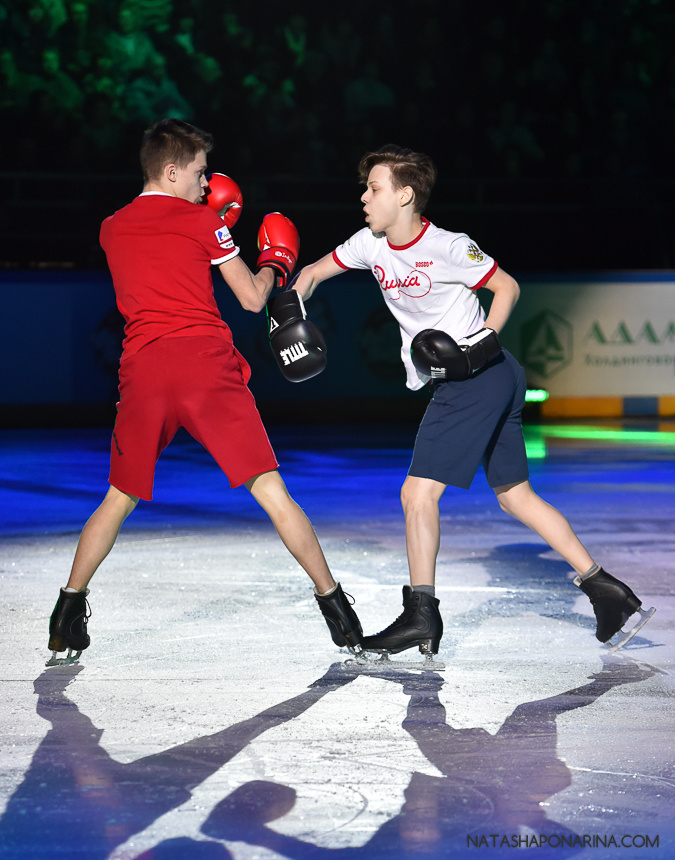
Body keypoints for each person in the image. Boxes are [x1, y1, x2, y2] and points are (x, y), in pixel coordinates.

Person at [291, 144, 655, 661]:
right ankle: (607, 591)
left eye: (374, 189)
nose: (364, 198)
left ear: (406, 195)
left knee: (417, 496)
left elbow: (507, 287)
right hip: (494, 378)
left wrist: (477, 343)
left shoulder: (449, 246)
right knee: (515, 496)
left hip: (478, 377)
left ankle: (421, 615)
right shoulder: (370, 244)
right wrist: (289, 309)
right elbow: (312, 273)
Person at [47, 118, 362, 666]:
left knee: (116, 498)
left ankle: (67, 612)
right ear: (171, 171)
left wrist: (210, 221)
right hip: (203, 366)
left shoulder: (110, 227)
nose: (205, 182)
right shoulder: (202, 222)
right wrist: (274, 262)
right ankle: (336, 607)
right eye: (197, 172)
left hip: (142, 369)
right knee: (270, 490)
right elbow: (250, 299)